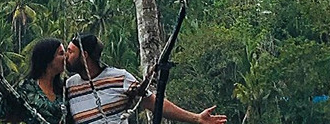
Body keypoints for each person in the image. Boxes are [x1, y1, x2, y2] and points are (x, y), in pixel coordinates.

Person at [64, 34, 227, 124]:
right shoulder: (70, 86)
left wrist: (196, 118)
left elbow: (154, 103)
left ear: (84, 56)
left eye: (70, 52)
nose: (66, 57)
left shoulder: (119, 78)